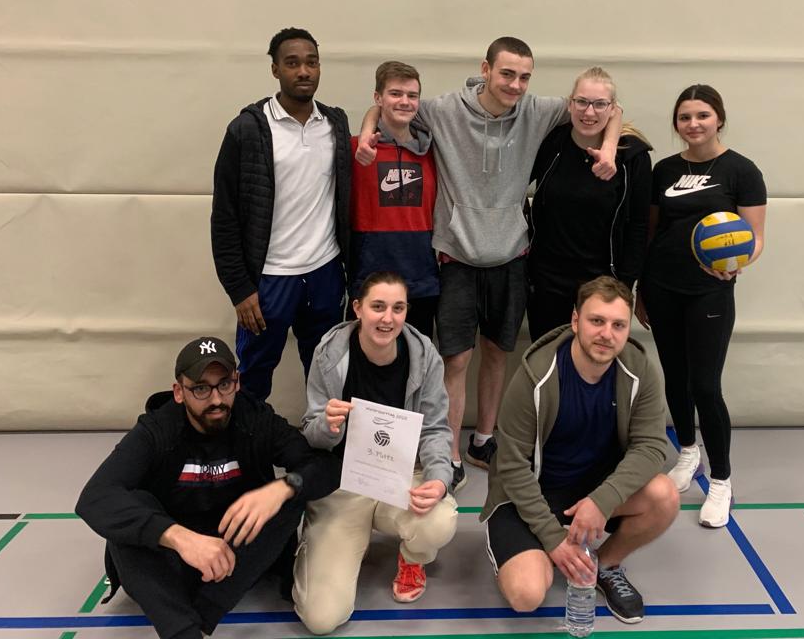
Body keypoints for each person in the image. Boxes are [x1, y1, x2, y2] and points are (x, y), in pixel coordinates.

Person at [356, 37, 623, 492]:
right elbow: (384, 108)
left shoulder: (538, 110)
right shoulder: (443, 110)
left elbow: (612, 110)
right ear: (485, 69)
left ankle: (483, 441)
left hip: (511, 257)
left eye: (524, 77)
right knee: (456, 359)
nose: (515, 85)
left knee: (498, 353)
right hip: (457, 258)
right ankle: (450, 454)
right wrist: (366, 133)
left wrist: (611, 149)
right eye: (507, 74)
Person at [76, 337, 338, 639]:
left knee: (290, 494)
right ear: (179, 392)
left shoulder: (255, 419)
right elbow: (94, 497)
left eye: (224, 385)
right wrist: (177, 537)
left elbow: (325, 466)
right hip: (174, 559)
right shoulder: (157, 430)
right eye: (201, 389)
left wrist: (284, 486)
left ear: (237, 383)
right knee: (129, 512)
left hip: (237, 559)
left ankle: (201, 612)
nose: (216, 399)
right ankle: (183, 631)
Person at [481, 277, 679, 624]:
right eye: (596, 321)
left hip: (591, 493)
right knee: (526, 595)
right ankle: (536, 548)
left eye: (618, 325)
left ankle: (604, 564)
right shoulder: (536, 374)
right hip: (530, 495)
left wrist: (602, 501)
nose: (607, 334)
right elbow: (511, 466)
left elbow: (650, 447)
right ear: (575, 321)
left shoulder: (639, 369)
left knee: (665, 495)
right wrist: (553, 539)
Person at [294, 271, 457, 634]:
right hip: (343, 483)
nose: (388, 318)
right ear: (358, 309)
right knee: (321, 619)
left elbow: (435, 429)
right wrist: (327, 425)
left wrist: (438, 479)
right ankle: (328, 543)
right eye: (378, 307)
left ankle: (412, 558)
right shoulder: (329, 353)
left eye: (398, 308)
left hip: (400, 477)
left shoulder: (424, 356)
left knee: (439, 519)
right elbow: (310, 433)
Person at [636, 84, 767, 528]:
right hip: (662, 286)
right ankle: (688, 453)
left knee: (706, 386)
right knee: (675, 377)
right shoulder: (665, 170)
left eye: (702, 115)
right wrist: (640, 289)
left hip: (709, 291)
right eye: (685, 117)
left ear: (719, 119)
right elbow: (651, 232)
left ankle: (722, 480)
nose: (693, 124)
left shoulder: (741, 170)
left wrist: (738, 263)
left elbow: (756, 237)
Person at [211, 27, 351, 401]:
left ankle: (320, 438)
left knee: (326, 375)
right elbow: (224, 218)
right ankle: (249, 438)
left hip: (324, 273)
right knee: (254, 376)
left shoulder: (335, 124)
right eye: (292, 63)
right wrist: (240, 289)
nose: (303, 71)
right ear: (275, 70)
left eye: (311, 62)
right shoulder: (247, 129)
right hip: (269, 280)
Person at [526, 67, 652, 341]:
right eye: (582, 102)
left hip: (603, 283)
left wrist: (624, 285)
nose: (589, 112)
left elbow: (638, 226)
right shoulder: (550, 143)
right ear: (570, 104)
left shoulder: (632, 156)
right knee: (548, 358)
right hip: (548, 281)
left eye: (599, 104)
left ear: (613, 108)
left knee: (595, 359)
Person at [349, 61, 438, 338]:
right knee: (365, 356)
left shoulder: (433, 152)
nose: (404, 101)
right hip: (369, 279)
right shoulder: (357, 149)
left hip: (421, 279)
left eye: (412, 95)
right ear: (378, 98)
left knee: (417, 356)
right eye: (395, 94)